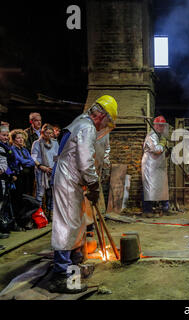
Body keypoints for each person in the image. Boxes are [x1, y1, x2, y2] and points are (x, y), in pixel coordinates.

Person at [49, 95, 118, 294]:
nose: (104, 126)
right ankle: (60, 277)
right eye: (107, 121)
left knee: (75, 223)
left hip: (70, 180)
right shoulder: (87, 127)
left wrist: (88, 184)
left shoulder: (80, 121)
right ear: (101, 116)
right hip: (68, 181)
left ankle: (73, 266)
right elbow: (85, 161)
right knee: (67, 225)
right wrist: (94, 185)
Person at [141, 116, 170, 218]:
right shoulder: (151, 136)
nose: (161, 128)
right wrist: (162, 143)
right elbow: (156, 150)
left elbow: (162, 152)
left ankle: (165, 208)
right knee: (149, 188)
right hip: (150, 166)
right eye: (159, 126)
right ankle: (147, 210)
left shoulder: (159, 136)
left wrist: (167, 152)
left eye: (162, 126)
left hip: (159, 166)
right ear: (155, 126)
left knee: (162, 187)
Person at [31, 124, 59, 222]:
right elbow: (33, 157)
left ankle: (50, 214)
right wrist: (41, 166)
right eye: (47, 133)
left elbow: (57, 156)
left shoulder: (55, 143)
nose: (49, 135)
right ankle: (38, 216)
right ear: (42, 133)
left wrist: (55, 167)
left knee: (52, 193)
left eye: (51, 133)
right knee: (40, 194)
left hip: (52, 171)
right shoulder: (37, 143)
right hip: (41, 171)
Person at [9, 129, 36, 228]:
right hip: (19, 177)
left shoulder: (24, 150)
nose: (21, 140)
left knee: (27, 197)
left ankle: (26, 220)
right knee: (19, 199)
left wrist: (26, 162)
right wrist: (26, 162)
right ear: (14, 140)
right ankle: (19, 222)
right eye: (18, 138)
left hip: (27, 177)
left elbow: (32, 162)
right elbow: (20, 161)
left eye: (22, 138)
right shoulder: (13, 149)